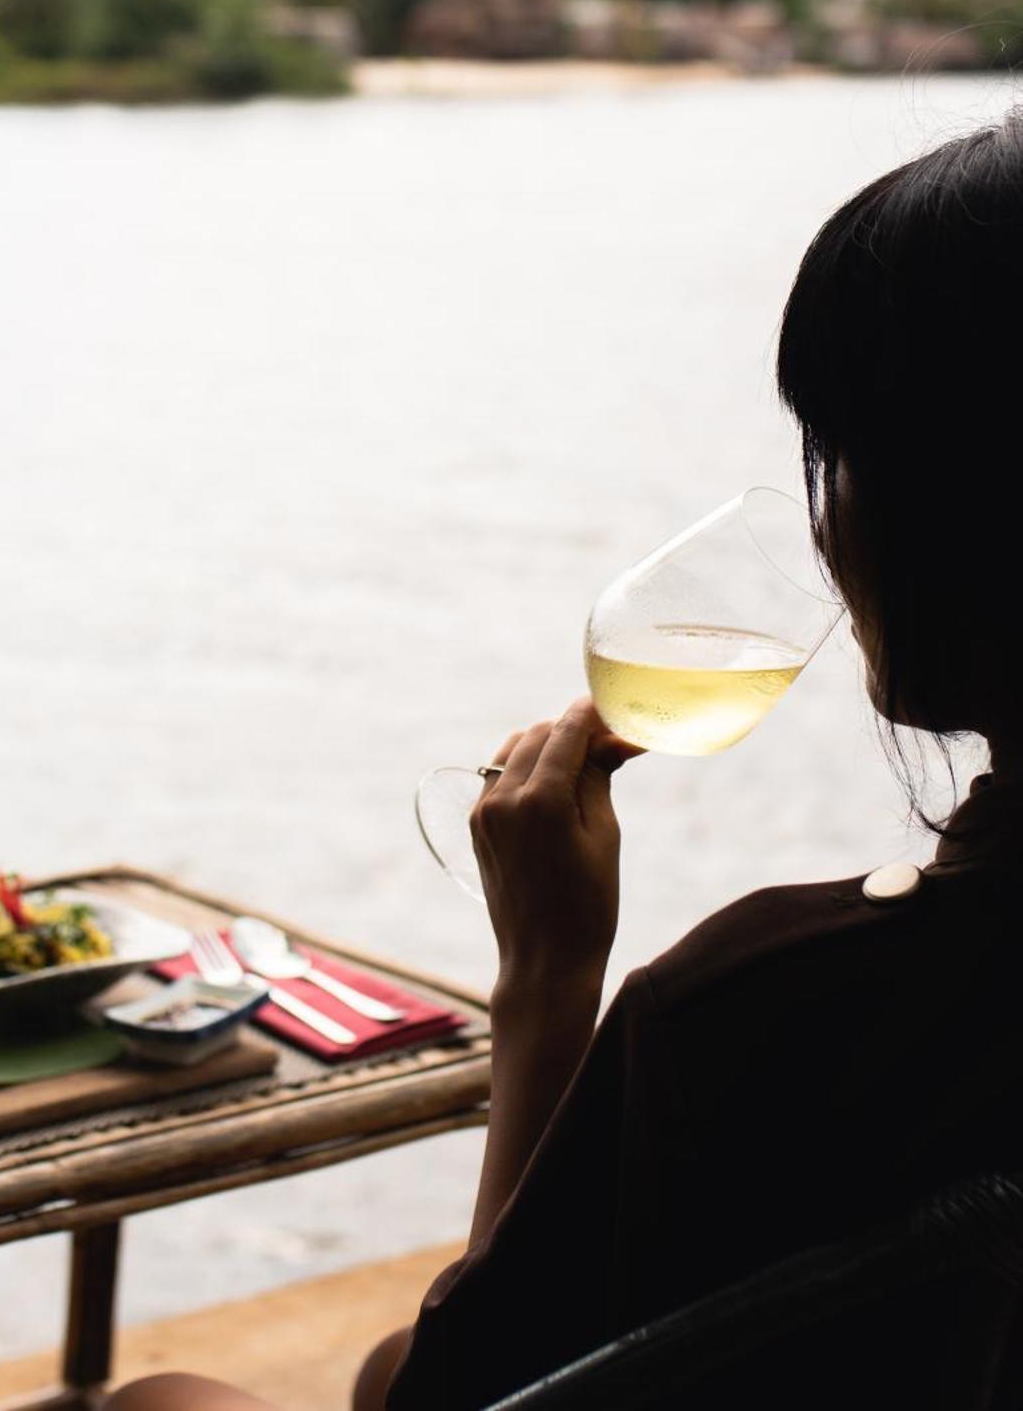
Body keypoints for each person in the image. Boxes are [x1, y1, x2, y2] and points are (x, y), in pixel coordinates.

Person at [109, 113, 1023, 1409]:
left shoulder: (770, 1006)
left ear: (963, 517)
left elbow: (475, 1391)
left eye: (847, 461)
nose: (825, 531)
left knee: (149, 1403)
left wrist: (545, 976)